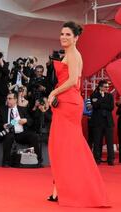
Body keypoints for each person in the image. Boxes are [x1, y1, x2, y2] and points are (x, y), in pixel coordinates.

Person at [46, 21, 109, 207]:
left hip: (68, 103)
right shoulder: (71, 54)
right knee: (63, 147)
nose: (63, 37)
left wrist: (53, 93)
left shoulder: (73, 54)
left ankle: (71, 190)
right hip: (68, 102)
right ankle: (58, 190)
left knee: (64, 147)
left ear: (76, 38)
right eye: (62, 34)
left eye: (67, 34)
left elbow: (73, 80)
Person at [0, 92, 42, 167]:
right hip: (8, 133)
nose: (7, 100)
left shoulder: (22, 109)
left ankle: (38, 160)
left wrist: (25, 120)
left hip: (20, 133)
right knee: (9, 136)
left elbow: (30, 120)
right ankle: (6, 162)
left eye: (10, 98)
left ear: (15, 100)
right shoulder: (2, 109)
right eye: (7, 98)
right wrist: (3, 125)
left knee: (33, 136)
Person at [90, 80, 115, 165]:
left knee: (109, 142)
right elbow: (95, 105)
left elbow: (111, 107)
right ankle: (97, 159)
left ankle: (110, 160)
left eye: (108, 87)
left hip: (108, 122)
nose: (107, 88)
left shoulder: (110, 96)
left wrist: (101, 103)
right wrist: (102, 97)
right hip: (97, 122)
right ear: (100, 87)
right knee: (97, 141)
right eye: (105, 87)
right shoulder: (94, 95)